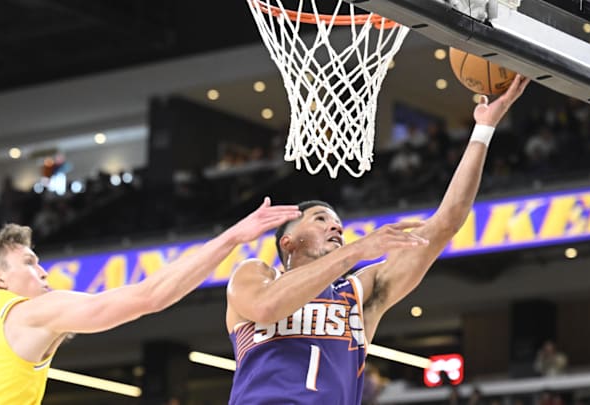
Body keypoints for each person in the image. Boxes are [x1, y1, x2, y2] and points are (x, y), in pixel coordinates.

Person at [225, 75, 530, 404]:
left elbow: (446, 224)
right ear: (287, 242)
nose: (335, 228)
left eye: (339, 224)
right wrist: (359, 249)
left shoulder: (359, 294)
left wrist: (484, 131)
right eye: (320, 219)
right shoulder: (254, 275)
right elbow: (268, 306)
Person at [0, 197, 301, 405]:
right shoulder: (29, 312)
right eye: (30, 262)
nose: (43, 272)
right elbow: (149, 296)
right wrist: (230, 239)